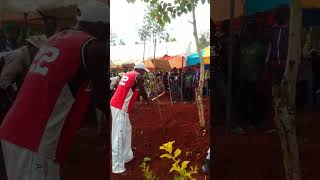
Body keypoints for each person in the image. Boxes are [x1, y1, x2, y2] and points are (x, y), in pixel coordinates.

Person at [0, 1, 108, 180]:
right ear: (98, 26)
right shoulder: (92, 47)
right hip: (34, 140)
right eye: (107, 29)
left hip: (21, 134)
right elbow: (102, 96)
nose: (106, 36)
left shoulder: (56, 39)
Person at [110, 62, 152, 174]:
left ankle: (127, 156)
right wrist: (147, 100)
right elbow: (142, 89)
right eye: (144, 72)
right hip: (119, 107)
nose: (144, 74)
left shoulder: (129, 74)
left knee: (127, 130)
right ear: (141, 70)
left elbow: (133, 91)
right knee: (119, 136)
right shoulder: (138, 76)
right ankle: (117, 167)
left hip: (119, 106)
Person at [239, 20, 267, 130]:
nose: (247, 33)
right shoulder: (242, 46)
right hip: (243, 78)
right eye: (246, 31)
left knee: (255, 101)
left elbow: (262, 63)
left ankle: (255, 122)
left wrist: (260, 76)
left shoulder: (259, 47)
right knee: (244, 101)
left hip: (255, 78)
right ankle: (247, 122)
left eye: (249, 31)